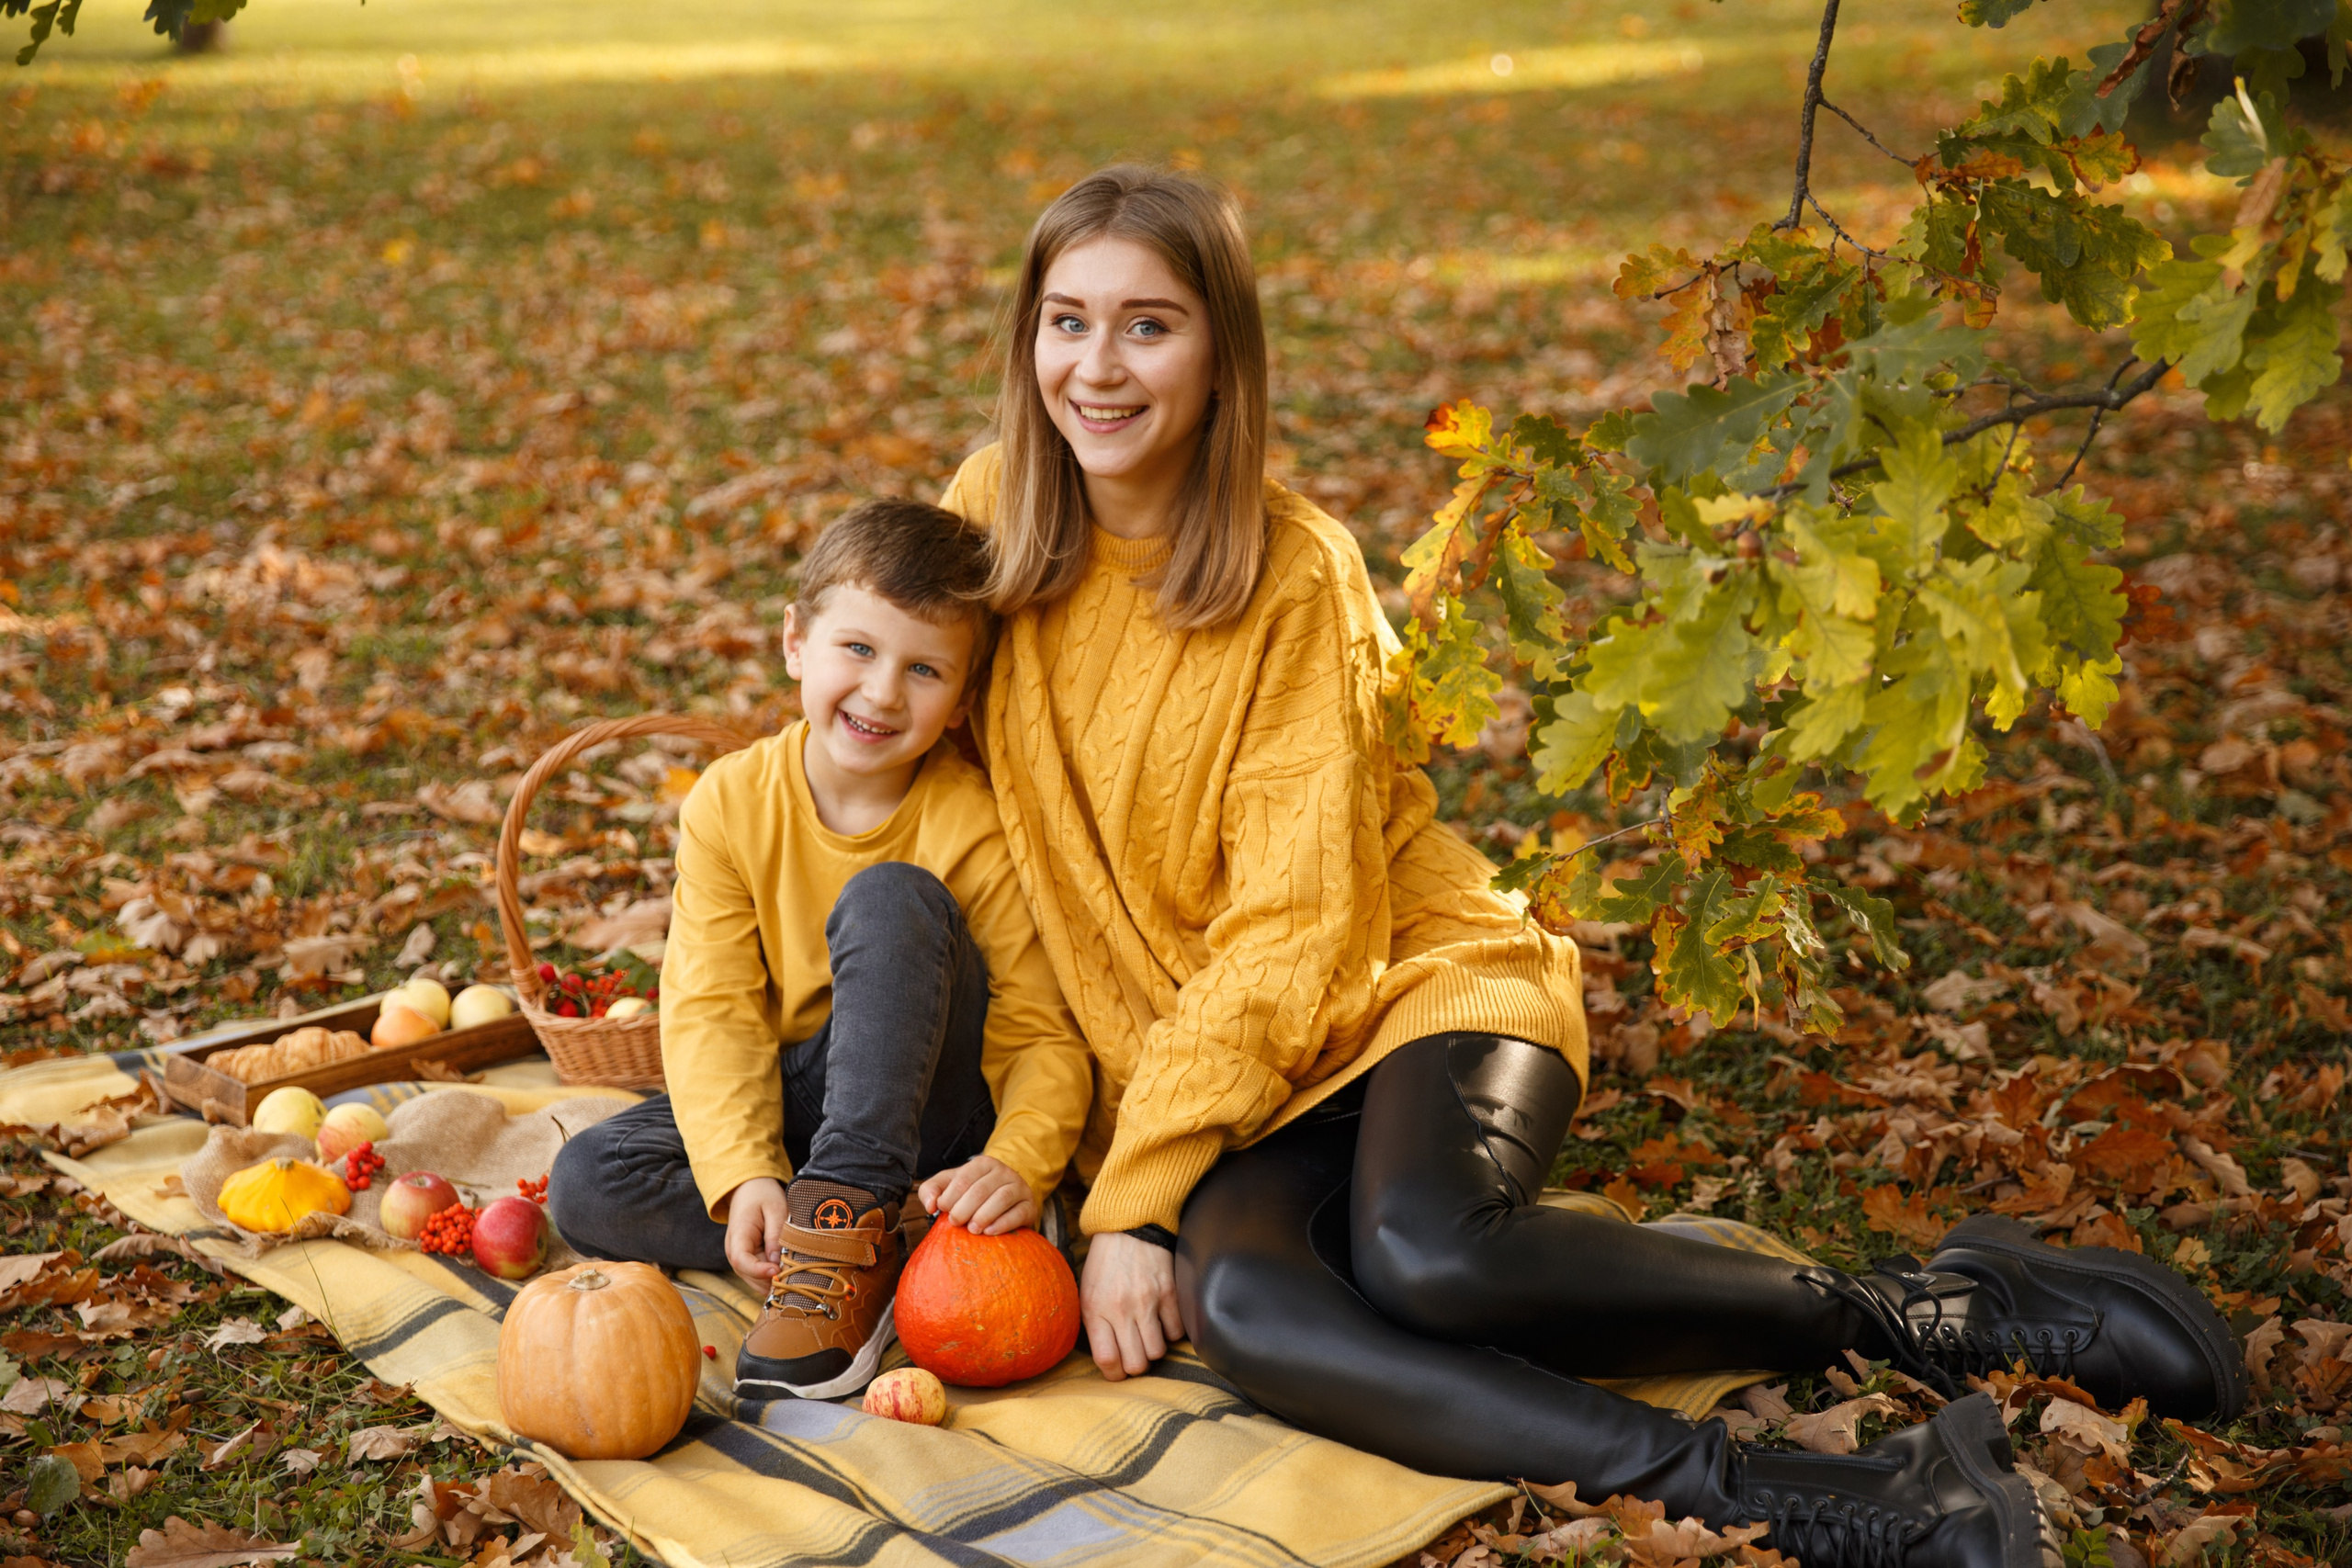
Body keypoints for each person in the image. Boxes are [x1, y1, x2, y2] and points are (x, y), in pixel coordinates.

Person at [939, 164, 2245, 1568]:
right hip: (1228, 1079)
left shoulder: (1294, 571)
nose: (1098, 366)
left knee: (1434, 1258)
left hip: (1408, 987)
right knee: (1258, 1317)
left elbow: (1297, 927)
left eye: (1149, 325)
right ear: (1026, 337)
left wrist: (1134, 1198)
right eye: (1067, 320)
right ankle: (1815, 1496)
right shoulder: (987, 528)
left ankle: (1917, 1309)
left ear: (1223, 352)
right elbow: (920, 804)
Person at [548, 499, 1092, 1402]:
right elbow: (711, 1007)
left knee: (889, 896)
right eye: (859, 649)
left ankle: (855, 1228)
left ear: (961, 700)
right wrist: (742, 1175)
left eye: (924, 669)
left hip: (932, 1106)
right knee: (588, 1180)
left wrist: (1022, 1163)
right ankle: (866, 1239)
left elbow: (1040, 1029)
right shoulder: (730, 802)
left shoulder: (973, 823)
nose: (882, 693)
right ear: (796, 641)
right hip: (809, 1099)